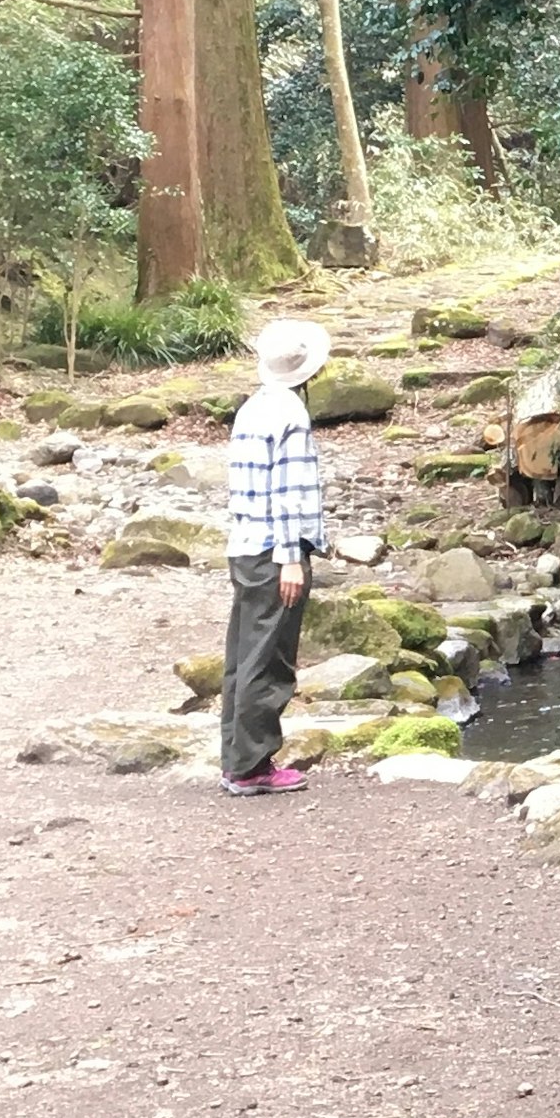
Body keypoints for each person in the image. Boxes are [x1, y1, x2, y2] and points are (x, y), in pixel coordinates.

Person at [222, 316, 331, 794]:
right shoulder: (291, 414)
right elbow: (288, 491)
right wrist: (291, 557)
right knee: (268, 660)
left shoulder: (252, 407)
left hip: (244, 547)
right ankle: (252, 766)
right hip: (273, 550)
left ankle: (237, 758)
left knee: (242, 656)